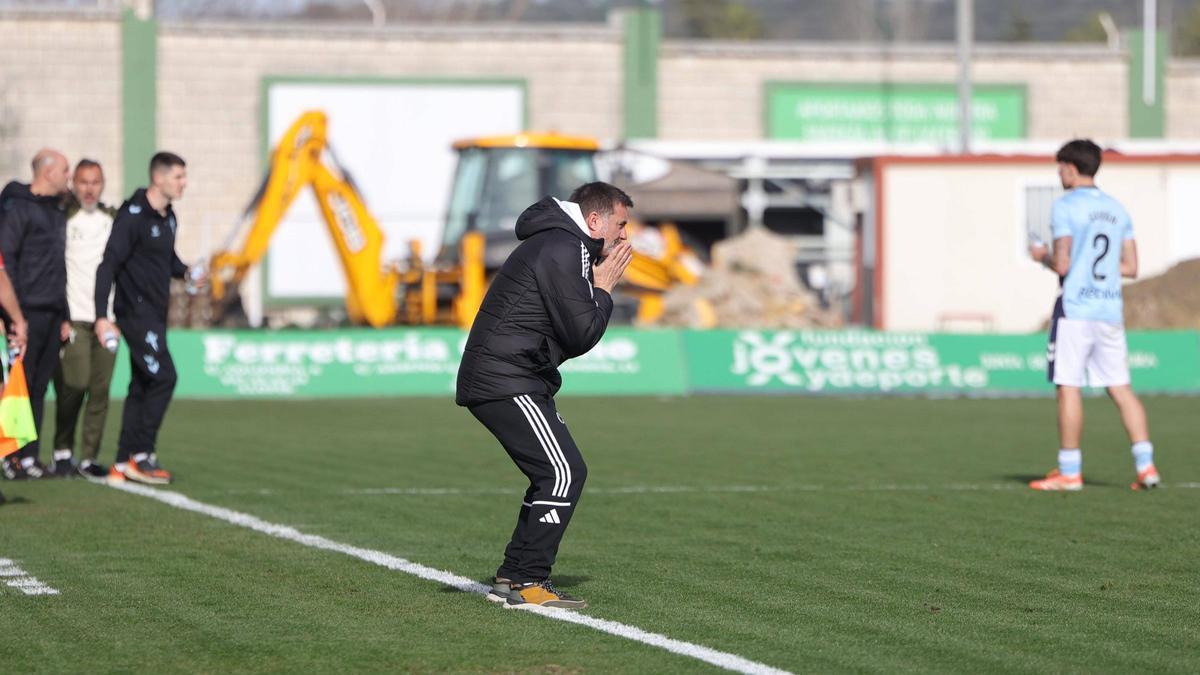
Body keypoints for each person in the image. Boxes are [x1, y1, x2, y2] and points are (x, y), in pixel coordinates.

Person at [456, 181, 634, 609]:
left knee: (554, 472)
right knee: (564, 472)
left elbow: (570, 335)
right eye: (621, 224)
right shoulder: (564, 247)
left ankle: (514, 573)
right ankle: (529, 580)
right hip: (505, 379)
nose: (624, 236)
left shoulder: (563, 244)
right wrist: (604, 289)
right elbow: (582, 332)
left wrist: (595, 289)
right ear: (594, 221)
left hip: (512, 377)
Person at [1028, 139, 1159, 492]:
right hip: (1108, 308)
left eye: (1060, 167)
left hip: (1076, 309)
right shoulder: (1118, 209)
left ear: (1070, 167)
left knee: (1068, 386)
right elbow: (1131, 267)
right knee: (1121, 388)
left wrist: (1039, 255)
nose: (1059, 174)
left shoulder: (1065, 206)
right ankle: (1146, 467)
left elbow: (1062, 263)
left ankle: (1070, 471)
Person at [94, 151, 203, 485]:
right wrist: (102, 316)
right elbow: (108, 265)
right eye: (178, 177)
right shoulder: (133, 215)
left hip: (157, 313)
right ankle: (142, 455)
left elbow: (166, 259)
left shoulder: (168, 216)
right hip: (135, 313)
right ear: (159, 178)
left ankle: (122, 461)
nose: (184, 183)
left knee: (141, 383)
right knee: (164, 377)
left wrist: (186, 272)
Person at [0, 149, 70, 480]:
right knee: (17, 386)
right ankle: (10, 456)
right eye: (65, 171)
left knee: (39, 386)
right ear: (48, 172)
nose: (68, 178)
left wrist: (65, 313)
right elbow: (7, 262)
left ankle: (30, 456)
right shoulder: (18, 208)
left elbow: (59, 266)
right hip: (25, 310)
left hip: (52, 310)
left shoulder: (56, 210)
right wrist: (12, 316)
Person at [53, 159, 119, 479]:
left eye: (95, 182)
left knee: (100, 390)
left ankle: (88, 457)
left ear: (103, 184)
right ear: (74, 184)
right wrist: (61, 316)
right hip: (75, 317)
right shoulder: (64, 219)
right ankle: (62, 449)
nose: (89, 188)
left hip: (107, 321)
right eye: (83, 182)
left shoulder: (113, 220)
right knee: (74, 384)